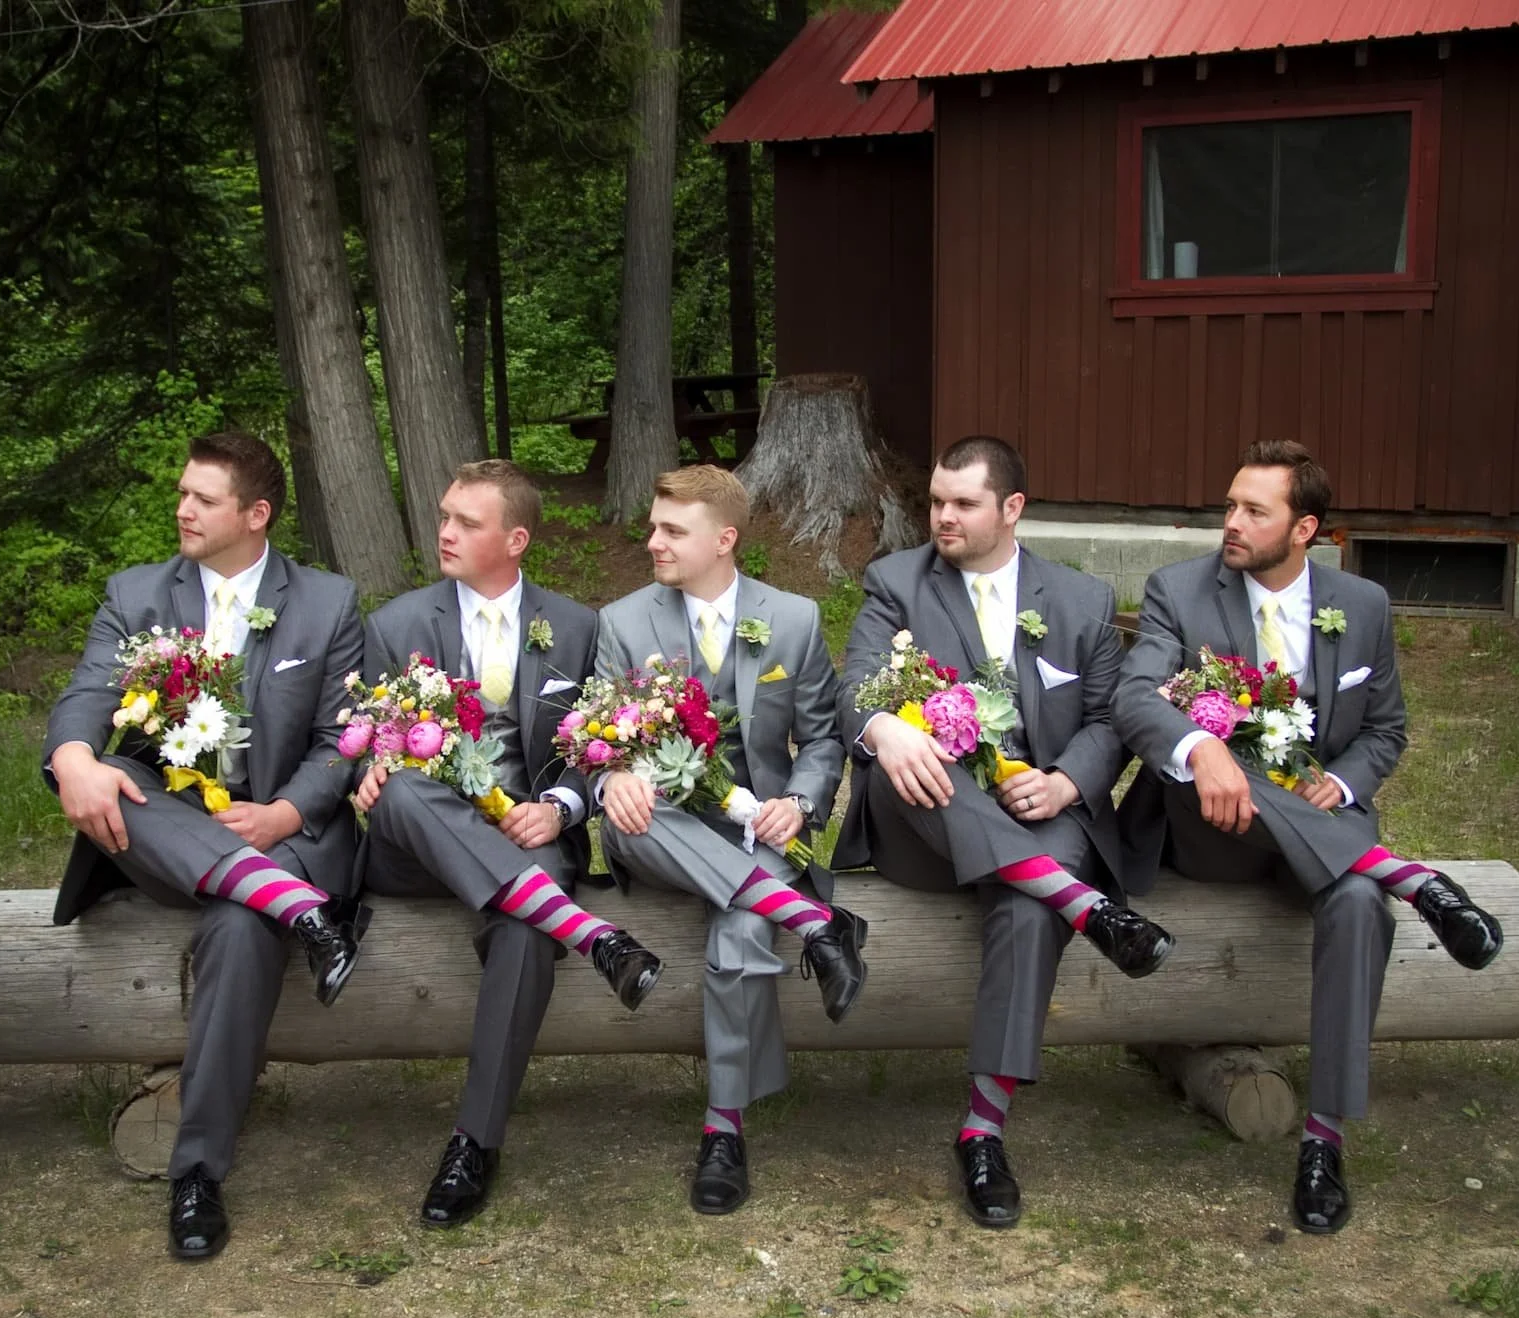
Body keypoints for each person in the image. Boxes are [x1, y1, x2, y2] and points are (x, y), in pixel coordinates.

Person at [1114, 438, 1504, 1236]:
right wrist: (1202, 746)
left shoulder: (1362, 606)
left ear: (1306, 529)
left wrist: (1347, 781)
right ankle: (1416, 878)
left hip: (1319, 823)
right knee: (1243, 780)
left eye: (1254, 510)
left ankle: (1323, 1141)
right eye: (1229, 505)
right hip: (1210, 827)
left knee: (1360, 903)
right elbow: (1133, 695)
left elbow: (1386, 730)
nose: (1231, 522)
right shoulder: (1178, 593)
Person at [835, 434, 1174, 1229]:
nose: (942, 517)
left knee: (1028, 908)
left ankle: (982, 1130)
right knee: (918, 761)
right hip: (920, 819)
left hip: (1041, 813)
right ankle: (1091, 909)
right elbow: (854, 686)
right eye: (936, 502)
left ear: (1011, 508)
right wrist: (885, 726)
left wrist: (1066, 781)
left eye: (963, 503)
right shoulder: (896, 583)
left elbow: (1107, 718)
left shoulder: (1082, 600)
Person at [44, 431, 364, 1260]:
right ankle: (295, 906)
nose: (182, 509)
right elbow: (89, 688)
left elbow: (342, 742)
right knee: (112, 767)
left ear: (256, 515)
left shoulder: (326, 602)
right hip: (159, 835)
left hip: (272, 833)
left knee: (239, 925)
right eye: (182, 493)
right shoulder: (137, 593)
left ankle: (196, 1174)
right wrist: (72, 756)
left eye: (204, 499)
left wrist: (286, 816)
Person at [351, 460, 662, 1229]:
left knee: (528, 923)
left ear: (515, 539)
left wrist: (558, 808)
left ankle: (474, 1143)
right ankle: (590, 935)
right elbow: (354, 738)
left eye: (467, 521)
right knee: (402, 787)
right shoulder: (396, 624)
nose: (445, 532)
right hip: (417, 842)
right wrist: (369, 766)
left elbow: (603, 753)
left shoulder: (579, 627)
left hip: (528, 838)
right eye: (444, 515)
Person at [594, 465, 864, 1216]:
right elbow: (598, 741)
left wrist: (800, 801)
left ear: (725, 539)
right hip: (660, 828)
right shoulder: (622, 622)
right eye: (653, 525)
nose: (652, 540)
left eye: (671, 530)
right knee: (632, 813)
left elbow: (819, 741)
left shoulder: (796, 620)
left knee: (744, 925)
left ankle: (723, 1128)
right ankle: (815, 922)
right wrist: (612, 778)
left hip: (760, 828)